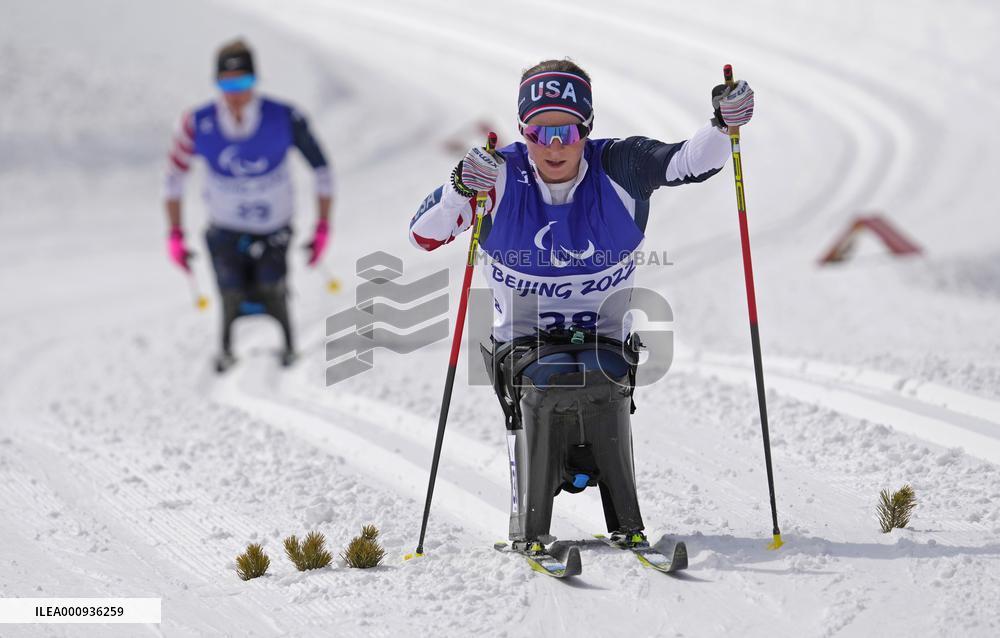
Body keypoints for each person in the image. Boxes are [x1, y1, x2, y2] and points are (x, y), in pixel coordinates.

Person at [409, 59, 754, 554]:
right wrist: (460, 188)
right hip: (520, 348)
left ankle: (626, 520)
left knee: (605, 378)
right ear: (522, 131)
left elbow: (688, 161)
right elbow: (423, 234)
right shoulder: (497, 176)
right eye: (539, 131)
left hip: (603, 341)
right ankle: (530, 525)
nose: (554, 146)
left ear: (585, 128)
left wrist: (724, 125)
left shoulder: (620, 165)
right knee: (546, 383)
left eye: (567, 131)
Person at [164, 39, 334, 372]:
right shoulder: (196, 123)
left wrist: (322, 227)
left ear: (255, 81)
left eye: (243, 83)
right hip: (224, 229)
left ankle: (288, 346)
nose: (235, 93)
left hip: (274, 229)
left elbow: (323, 171)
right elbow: (173, 180)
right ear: (216, 84)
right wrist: (174, 234)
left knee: (272, 287)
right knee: (230, 293)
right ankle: (225, 350)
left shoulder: (285, 117)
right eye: (227, 84)